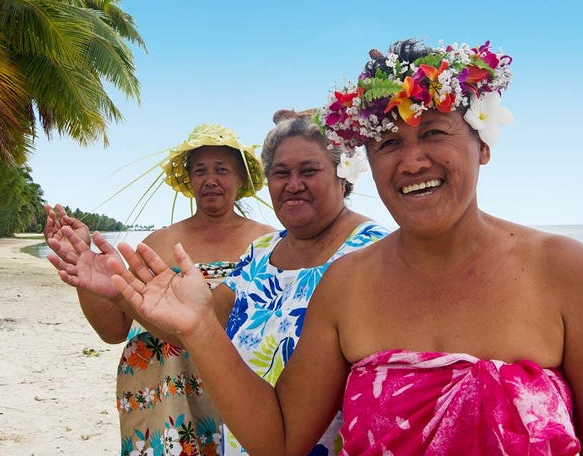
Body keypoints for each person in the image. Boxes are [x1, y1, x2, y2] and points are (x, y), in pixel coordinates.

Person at [110, 39, 583, 455]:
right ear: (366, 160)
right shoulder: (348, 284)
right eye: (389, 141)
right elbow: (278, 440)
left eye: (435, 132)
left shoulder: (566, 274)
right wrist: (200, 329)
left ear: (481, 143)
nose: (412, 161)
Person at [49, 113, 391, 455]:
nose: (293, 183)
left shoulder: (374, 252)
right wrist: (118, 292)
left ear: (343, 174)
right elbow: (203, 328)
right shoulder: (262, 252)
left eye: (309, 170)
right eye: (281, 173)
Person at [44, 124, 274, 456]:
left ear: (240, 178)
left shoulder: (267, 243)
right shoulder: (159, 244)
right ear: (189, 180)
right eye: (200, 171)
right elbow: (113, 330)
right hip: (164, 398)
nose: (210, 179)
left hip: (240, 386)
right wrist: (85, 272)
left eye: (221, 169)